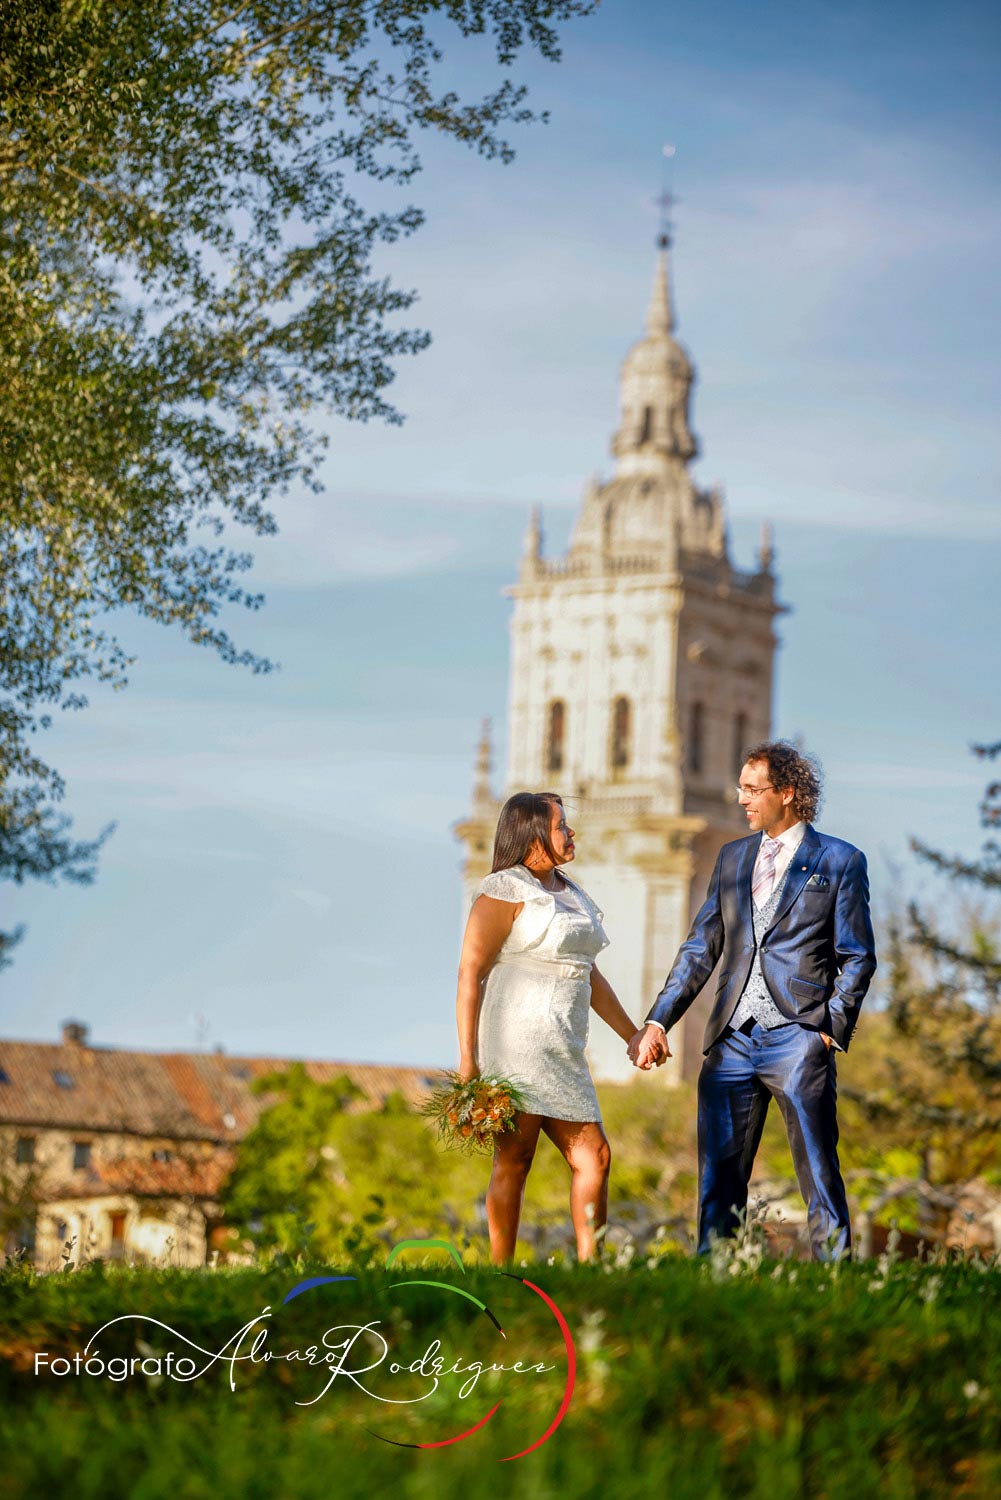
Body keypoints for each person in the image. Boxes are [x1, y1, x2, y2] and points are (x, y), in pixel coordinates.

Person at [630, 741, 877, 1260]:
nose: (740, 798)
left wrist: (830, 1026)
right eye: (741, 788)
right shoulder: (732, 858)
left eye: (751, 789)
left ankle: (835, 1278)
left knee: (817, 1167)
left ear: (786, 793)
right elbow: (701, 947)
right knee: (718, 1177)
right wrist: (659, 1021)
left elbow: (857, 956)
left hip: (800, 1037)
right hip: (731, 1041)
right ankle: (714, 1275)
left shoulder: (840, 860)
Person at [456, 791, 645, 1264]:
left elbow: (588, 973)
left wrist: (633, 1034)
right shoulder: (505, 889)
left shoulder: (572, 893)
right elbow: (470, 973)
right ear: (533, 834)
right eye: (562, 825)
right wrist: (468, 1062)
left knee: (594, 1159)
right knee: (516, 1159)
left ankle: (589, 1267)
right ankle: (499, 1271)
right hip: (515, 1044)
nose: (571, 832)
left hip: (563, 1047)